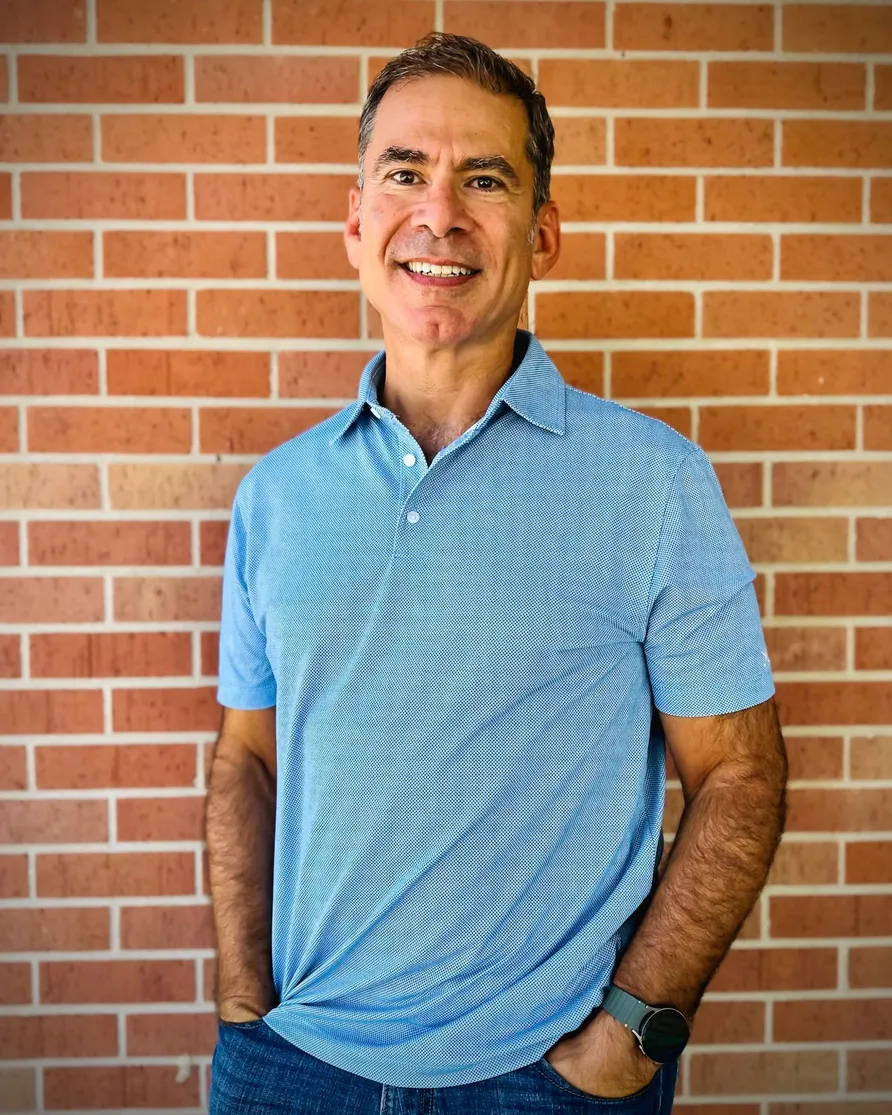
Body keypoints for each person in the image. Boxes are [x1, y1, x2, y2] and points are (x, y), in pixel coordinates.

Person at [205, 31, 788, 1114]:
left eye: (484, 178)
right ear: (355, 223)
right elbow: (249, 757)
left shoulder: (654, 482)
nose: (439, 213)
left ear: (542, 232)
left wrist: (631, 1033)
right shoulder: (275, 496)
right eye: (404, 172)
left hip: (543, 1078)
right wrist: (245, 1002)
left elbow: (741, 776)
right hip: (291, 1066)